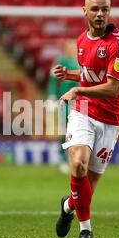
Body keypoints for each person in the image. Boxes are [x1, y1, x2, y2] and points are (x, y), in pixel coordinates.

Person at [53, 0, 119, 238]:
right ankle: (86, 231)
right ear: (84, 11)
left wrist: (77, 88)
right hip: (84, 109)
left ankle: (67, 207)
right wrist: (71, 75)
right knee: (78, 165)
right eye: (95, 9)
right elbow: (91, 74)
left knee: (88, 187)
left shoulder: (118, 45)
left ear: (110, 11)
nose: (99, 14)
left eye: (104, 10)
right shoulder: (82, 41)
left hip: (110, 117)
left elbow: (112, 87)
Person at [47, 39, 80, 174]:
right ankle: (63, 158)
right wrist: (52, 96)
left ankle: (77, 158)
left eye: (73, 47)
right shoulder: (60, 62)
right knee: (65, 131)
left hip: (81, 100)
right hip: (65, 101)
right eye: (69, 47)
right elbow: (53, 82)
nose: (71, 49)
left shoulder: (81, 63)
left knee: (79, 132)